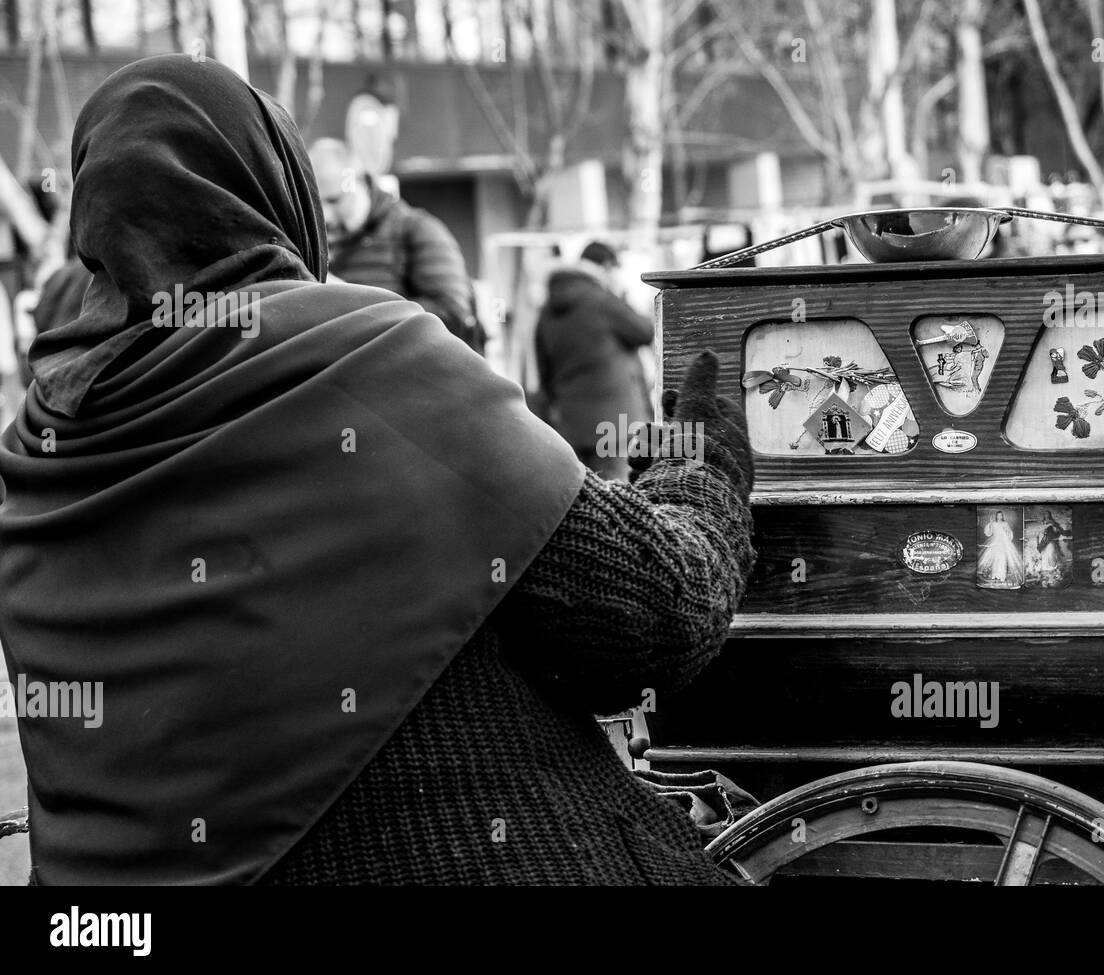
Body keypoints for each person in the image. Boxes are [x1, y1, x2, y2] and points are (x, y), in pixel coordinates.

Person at [0, 55, 756, 885]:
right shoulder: (368, 358)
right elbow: (654, 619)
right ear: (272, 189)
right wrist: (702, 464)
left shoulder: (38, 449)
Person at [307, 137, 486, 355]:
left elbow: (454, 318)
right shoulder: (319, 248)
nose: (326, 216)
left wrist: (357, 305)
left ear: (361, 179)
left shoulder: (417, 230)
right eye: (316, 204)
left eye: (335, 200)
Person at [534, 241, 655, 480]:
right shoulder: (603, 300)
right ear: (606, 267)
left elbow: (544, 373)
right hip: (615, 425)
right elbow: (644, 331)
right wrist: (620, 295)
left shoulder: (546, 312)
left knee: (586, 501)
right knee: (621, 499)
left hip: (571, 427)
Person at [978, 510, 1023, 588]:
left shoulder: (1005, 523)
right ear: (996, 516)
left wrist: (1007, 536)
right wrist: (990, 524)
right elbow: (989, 533)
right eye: (998, 515)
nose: (999, 517)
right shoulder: (993, 523)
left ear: (1002, 516)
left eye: (1001, 515)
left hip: (1003, 542)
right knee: (996, 558)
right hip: (995, 541)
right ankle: (995, 575)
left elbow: (1009, 532)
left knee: (1002, 559)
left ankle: (1002, 576)